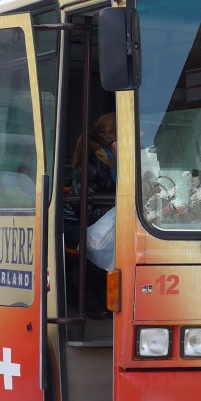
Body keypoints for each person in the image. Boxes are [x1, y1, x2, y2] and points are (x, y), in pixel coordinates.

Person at [65, 113, 117, 315]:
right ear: (113, 140)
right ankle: (86, 299)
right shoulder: (91, 165)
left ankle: (102, 296)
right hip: (74, 223)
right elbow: (84, 209)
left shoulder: (113, 163)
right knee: (98, 244)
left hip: (98, 221)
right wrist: (115, 211)